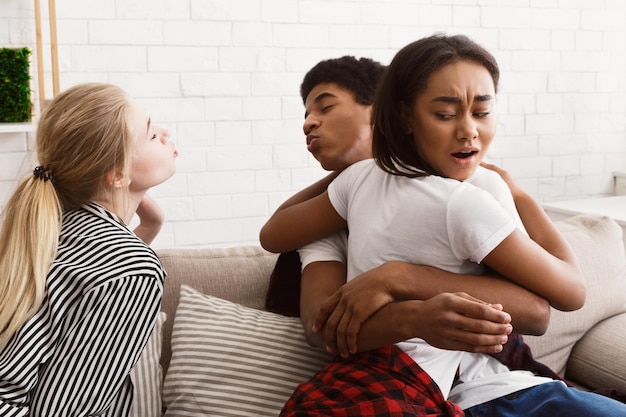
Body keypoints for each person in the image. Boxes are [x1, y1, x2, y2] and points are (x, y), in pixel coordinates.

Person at [260, 35, 626, 416]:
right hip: (401, 383)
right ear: (403, 115)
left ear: (376, 110)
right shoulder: (353, 189)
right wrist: (361, 166)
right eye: (446, 114)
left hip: (495, 383)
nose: (308, 124)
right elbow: (278, 242)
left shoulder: (473, 193)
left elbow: (544, 307)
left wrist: (400, 277)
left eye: (326, 106)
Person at [0, 82, 178, 416]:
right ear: (117, 176)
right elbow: (64, 410)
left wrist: (148, 228)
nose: (166, 133)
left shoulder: (50, 228)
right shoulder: (132, 269)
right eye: (152, 135)